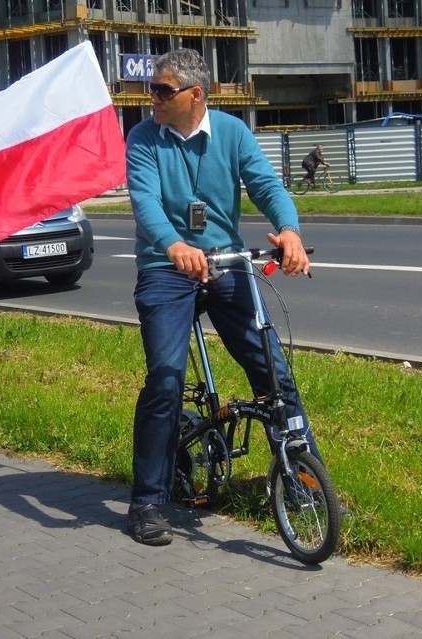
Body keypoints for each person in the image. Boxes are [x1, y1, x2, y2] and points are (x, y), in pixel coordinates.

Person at [125, 48, 324, 546]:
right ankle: (147, 500)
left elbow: (266, 185)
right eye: (152, 88)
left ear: (195, 95)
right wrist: (173, 246)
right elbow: (145, 201)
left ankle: (304, 481)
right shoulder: (144, 138)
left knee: (275, 373)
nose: (152, 97)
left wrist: (290, 231)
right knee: (166, 380)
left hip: (226, 264)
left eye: (162, 90)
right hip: (166, 269)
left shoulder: (232, 133)